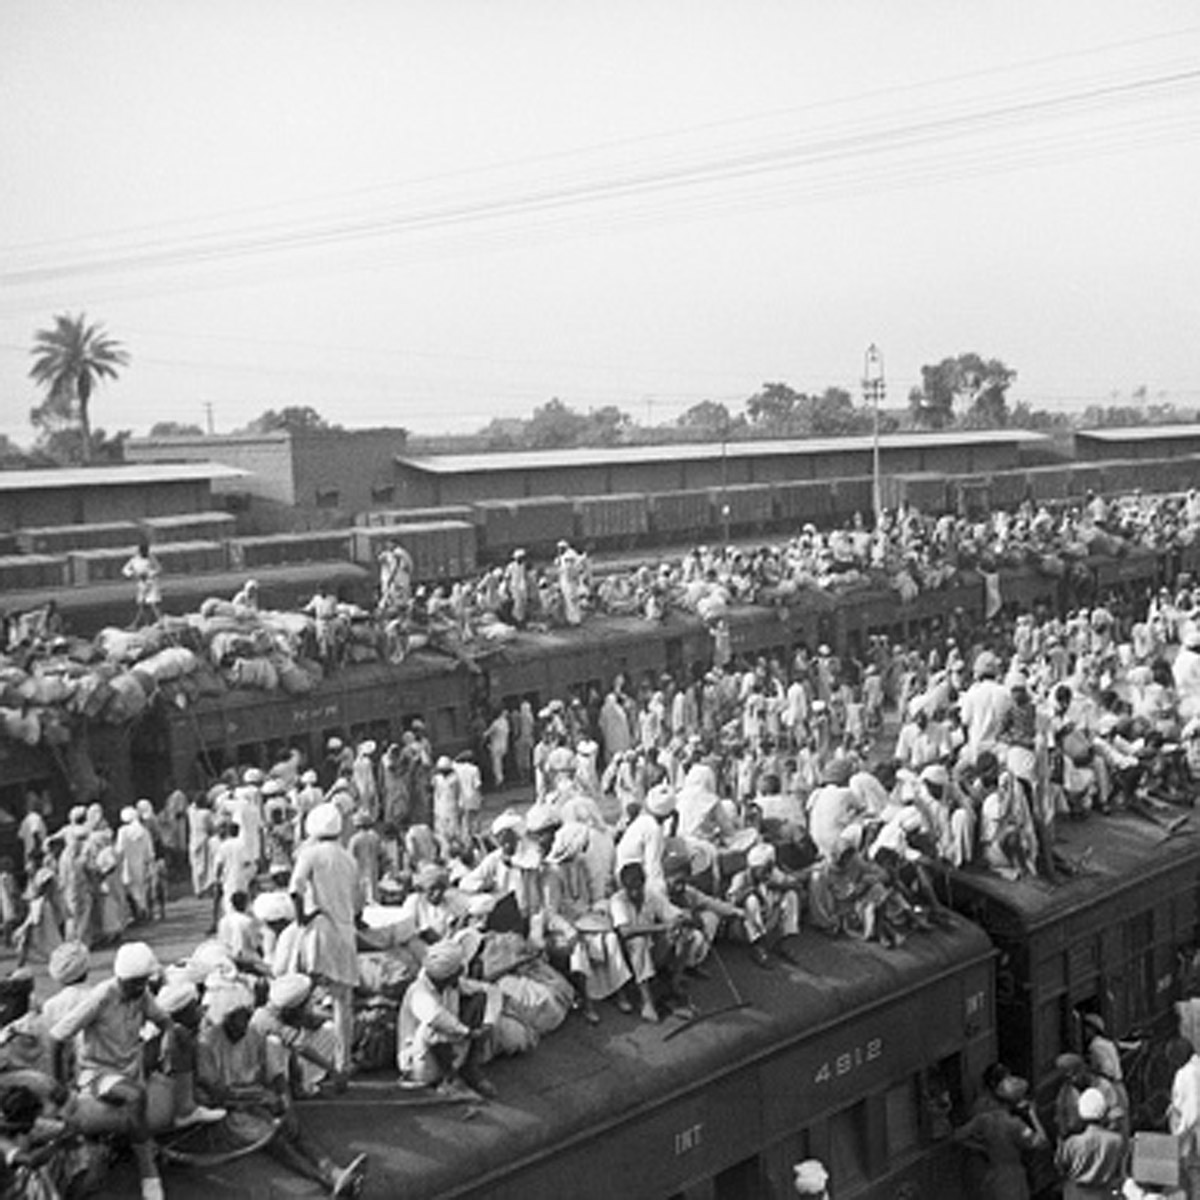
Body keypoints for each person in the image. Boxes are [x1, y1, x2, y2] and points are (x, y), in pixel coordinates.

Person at [48, 941, 171, 1200]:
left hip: (129, 1068)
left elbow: (164, 1021)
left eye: (143, 981)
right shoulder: (101, 997)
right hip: (96, 1072)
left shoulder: (143, 994)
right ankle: (148, 1172)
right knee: (135, 1096)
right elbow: (57, 1037)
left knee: (148, 1086)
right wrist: (58, 1085)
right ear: (121, 978)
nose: (140, 988)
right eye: (135, 983)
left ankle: (134, 1140)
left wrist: (164, 1042)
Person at [288, 802, 362, 1074]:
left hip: (319, 930)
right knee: (344, 1003)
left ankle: (307, 1062)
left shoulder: (311, 854)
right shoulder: (348, 858)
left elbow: (295, 889)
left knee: (306, 994)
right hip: (345, 933)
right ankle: (344, 1062)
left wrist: (301, 919)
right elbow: (358, 903)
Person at [396, 939, 501, 1097]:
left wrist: (488, 1023)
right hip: (420, 1064)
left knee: (479, 997)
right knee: (431, 1029)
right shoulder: (419, 992)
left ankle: (469, 1068)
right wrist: (468, 1033)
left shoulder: (451, 985)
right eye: (458, 970)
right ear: (447, 975)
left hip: (448, 1047)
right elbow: (438, 1017)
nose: (461, 972)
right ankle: (450, 1079)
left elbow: (491, 990)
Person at [1055, 1087, 1126, 1200]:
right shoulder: (1116, 1140)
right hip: (1103, 1194)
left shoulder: (1072, 1143)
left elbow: (1060, 1168)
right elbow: (1120, 1171)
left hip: (1076, 1195)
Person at [122, 540, 162, 628]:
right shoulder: (134, 560)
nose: (145, 553)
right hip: (142, 584)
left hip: (152, 583)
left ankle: (160, 622)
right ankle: (146, 623)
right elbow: (125, 570)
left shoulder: (151, 558)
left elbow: (158, 568)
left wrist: (150, 574)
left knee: (154, 603)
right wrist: (134, 575)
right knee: (143, 605)